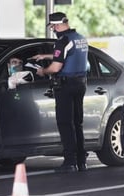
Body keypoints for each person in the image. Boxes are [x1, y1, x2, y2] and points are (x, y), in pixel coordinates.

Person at [32, 12, 89, 173]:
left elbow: (56, 67)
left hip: (66, 85)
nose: (53, 30)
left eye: (52, 27)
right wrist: (46, 55)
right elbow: (68, 54)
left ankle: (70, 161)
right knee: (77, 123)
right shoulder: (79, 38)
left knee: (65, 123)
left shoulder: (62, 41)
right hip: (80, 84)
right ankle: (81, 161)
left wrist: (43, 71)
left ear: (56, 25)